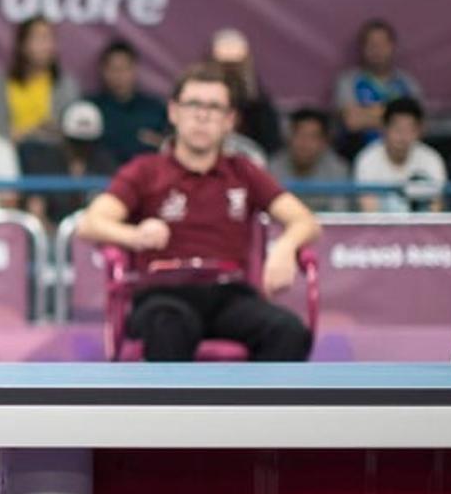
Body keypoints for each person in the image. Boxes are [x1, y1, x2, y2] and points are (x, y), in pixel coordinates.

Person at [74, 63, 320, 362]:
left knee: (287, 330)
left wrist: (285, 247)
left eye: (214, 107)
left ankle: (256, 410)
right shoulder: (146, 170)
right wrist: (135, 235)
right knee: (171, 325)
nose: (202, 115)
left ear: (229, 120)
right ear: (174, 112)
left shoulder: (243, 171)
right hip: (162, 295)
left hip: (230, 294)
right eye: (193, 105)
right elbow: (90, 223)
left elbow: (305, 220)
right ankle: (175, 411)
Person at [332, 18, 422, 158]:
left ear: (392, 46)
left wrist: (368, 113)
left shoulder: (408, 83)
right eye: (371, 44)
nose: (377, 49)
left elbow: (419, 125)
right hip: (357, 155)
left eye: (382, 44)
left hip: (403, 155)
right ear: (362, 48)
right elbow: (352, 122)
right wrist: (396, 117)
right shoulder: (348, 81)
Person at [20, 99, 118, 225]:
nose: (81, 148)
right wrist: (57, 238)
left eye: (87, 143)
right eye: (76, 142)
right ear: (63, 136)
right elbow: (36, 210)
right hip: (51, 236)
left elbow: (113, 210)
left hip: (96, 234)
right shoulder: (44, 162)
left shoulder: (106, 163)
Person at [0, 16, 80, 145]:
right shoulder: (2, 82)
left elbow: (69, 130)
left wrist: (25, 133)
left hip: (51, 156)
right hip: (9, 155)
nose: (47, 45)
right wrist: (34, 131)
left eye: (50, 39)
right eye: (40, 38)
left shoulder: (65, 84)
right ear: (23, 45)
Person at [352, 97, 448, 213]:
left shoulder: (432, 159)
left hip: (421, 230)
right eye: (397, 129)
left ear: (419, 131)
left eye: (409, 130)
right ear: (384, 129)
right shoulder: (367, 160)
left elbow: (435, 209)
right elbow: (370, 213)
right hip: (379, 230)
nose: (403, 137)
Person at [88, 38, 168, 164]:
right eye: (113, 69)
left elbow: (170, 145)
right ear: (103, 71)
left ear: (135, 69)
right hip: (102, 178)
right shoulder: (90, 109)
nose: (119, 75)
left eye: (125, 68)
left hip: (146, 177)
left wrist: (163, 143)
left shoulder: (155, 109)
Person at [209, 28, 283, 156]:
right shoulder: (199, 97)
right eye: (225, 64)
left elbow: (271, 144)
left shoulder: (259, 103)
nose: (230, 70)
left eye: (235, 65)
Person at [268, 108, 350, 212]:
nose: (305, 144)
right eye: (299, 135)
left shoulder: (338, 169)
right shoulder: (273, 168)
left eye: (312, 137)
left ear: (324, 142)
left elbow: (339, 215)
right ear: (289, 138)